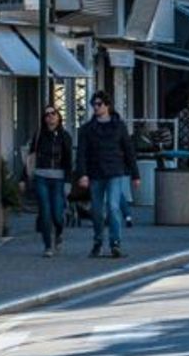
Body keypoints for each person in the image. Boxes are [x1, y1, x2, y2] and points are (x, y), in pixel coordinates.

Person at [77, 91, 139, 258]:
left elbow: (128, 150)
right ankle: (98, 241)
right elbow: (81, 153)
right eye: (94, 104)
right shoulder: (87, 129)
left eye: (99, 104)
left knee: (112, 207)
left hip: (115, 171)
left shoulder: (119, 126)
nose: (96, 107)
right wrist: (82, 174)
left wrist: (135, 175)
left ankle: (115, 243)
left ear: (107, 106)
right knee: (97, 211)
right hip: (95, 172)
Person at [29, 106, 73, 258]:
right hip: (41, 176)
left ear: (59, 117)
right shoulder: (39, 135)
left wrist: (68, 181)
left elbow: (68, 161)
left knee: (57, 213)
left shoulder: (65, 136)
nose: (50, 117)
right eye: (47, 114)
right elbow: (30, 157)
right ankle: (48, 246)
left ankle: (59, 231)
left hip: (59, 178)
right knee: (45, 211)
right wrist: (24, 178)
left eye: (53, 113)